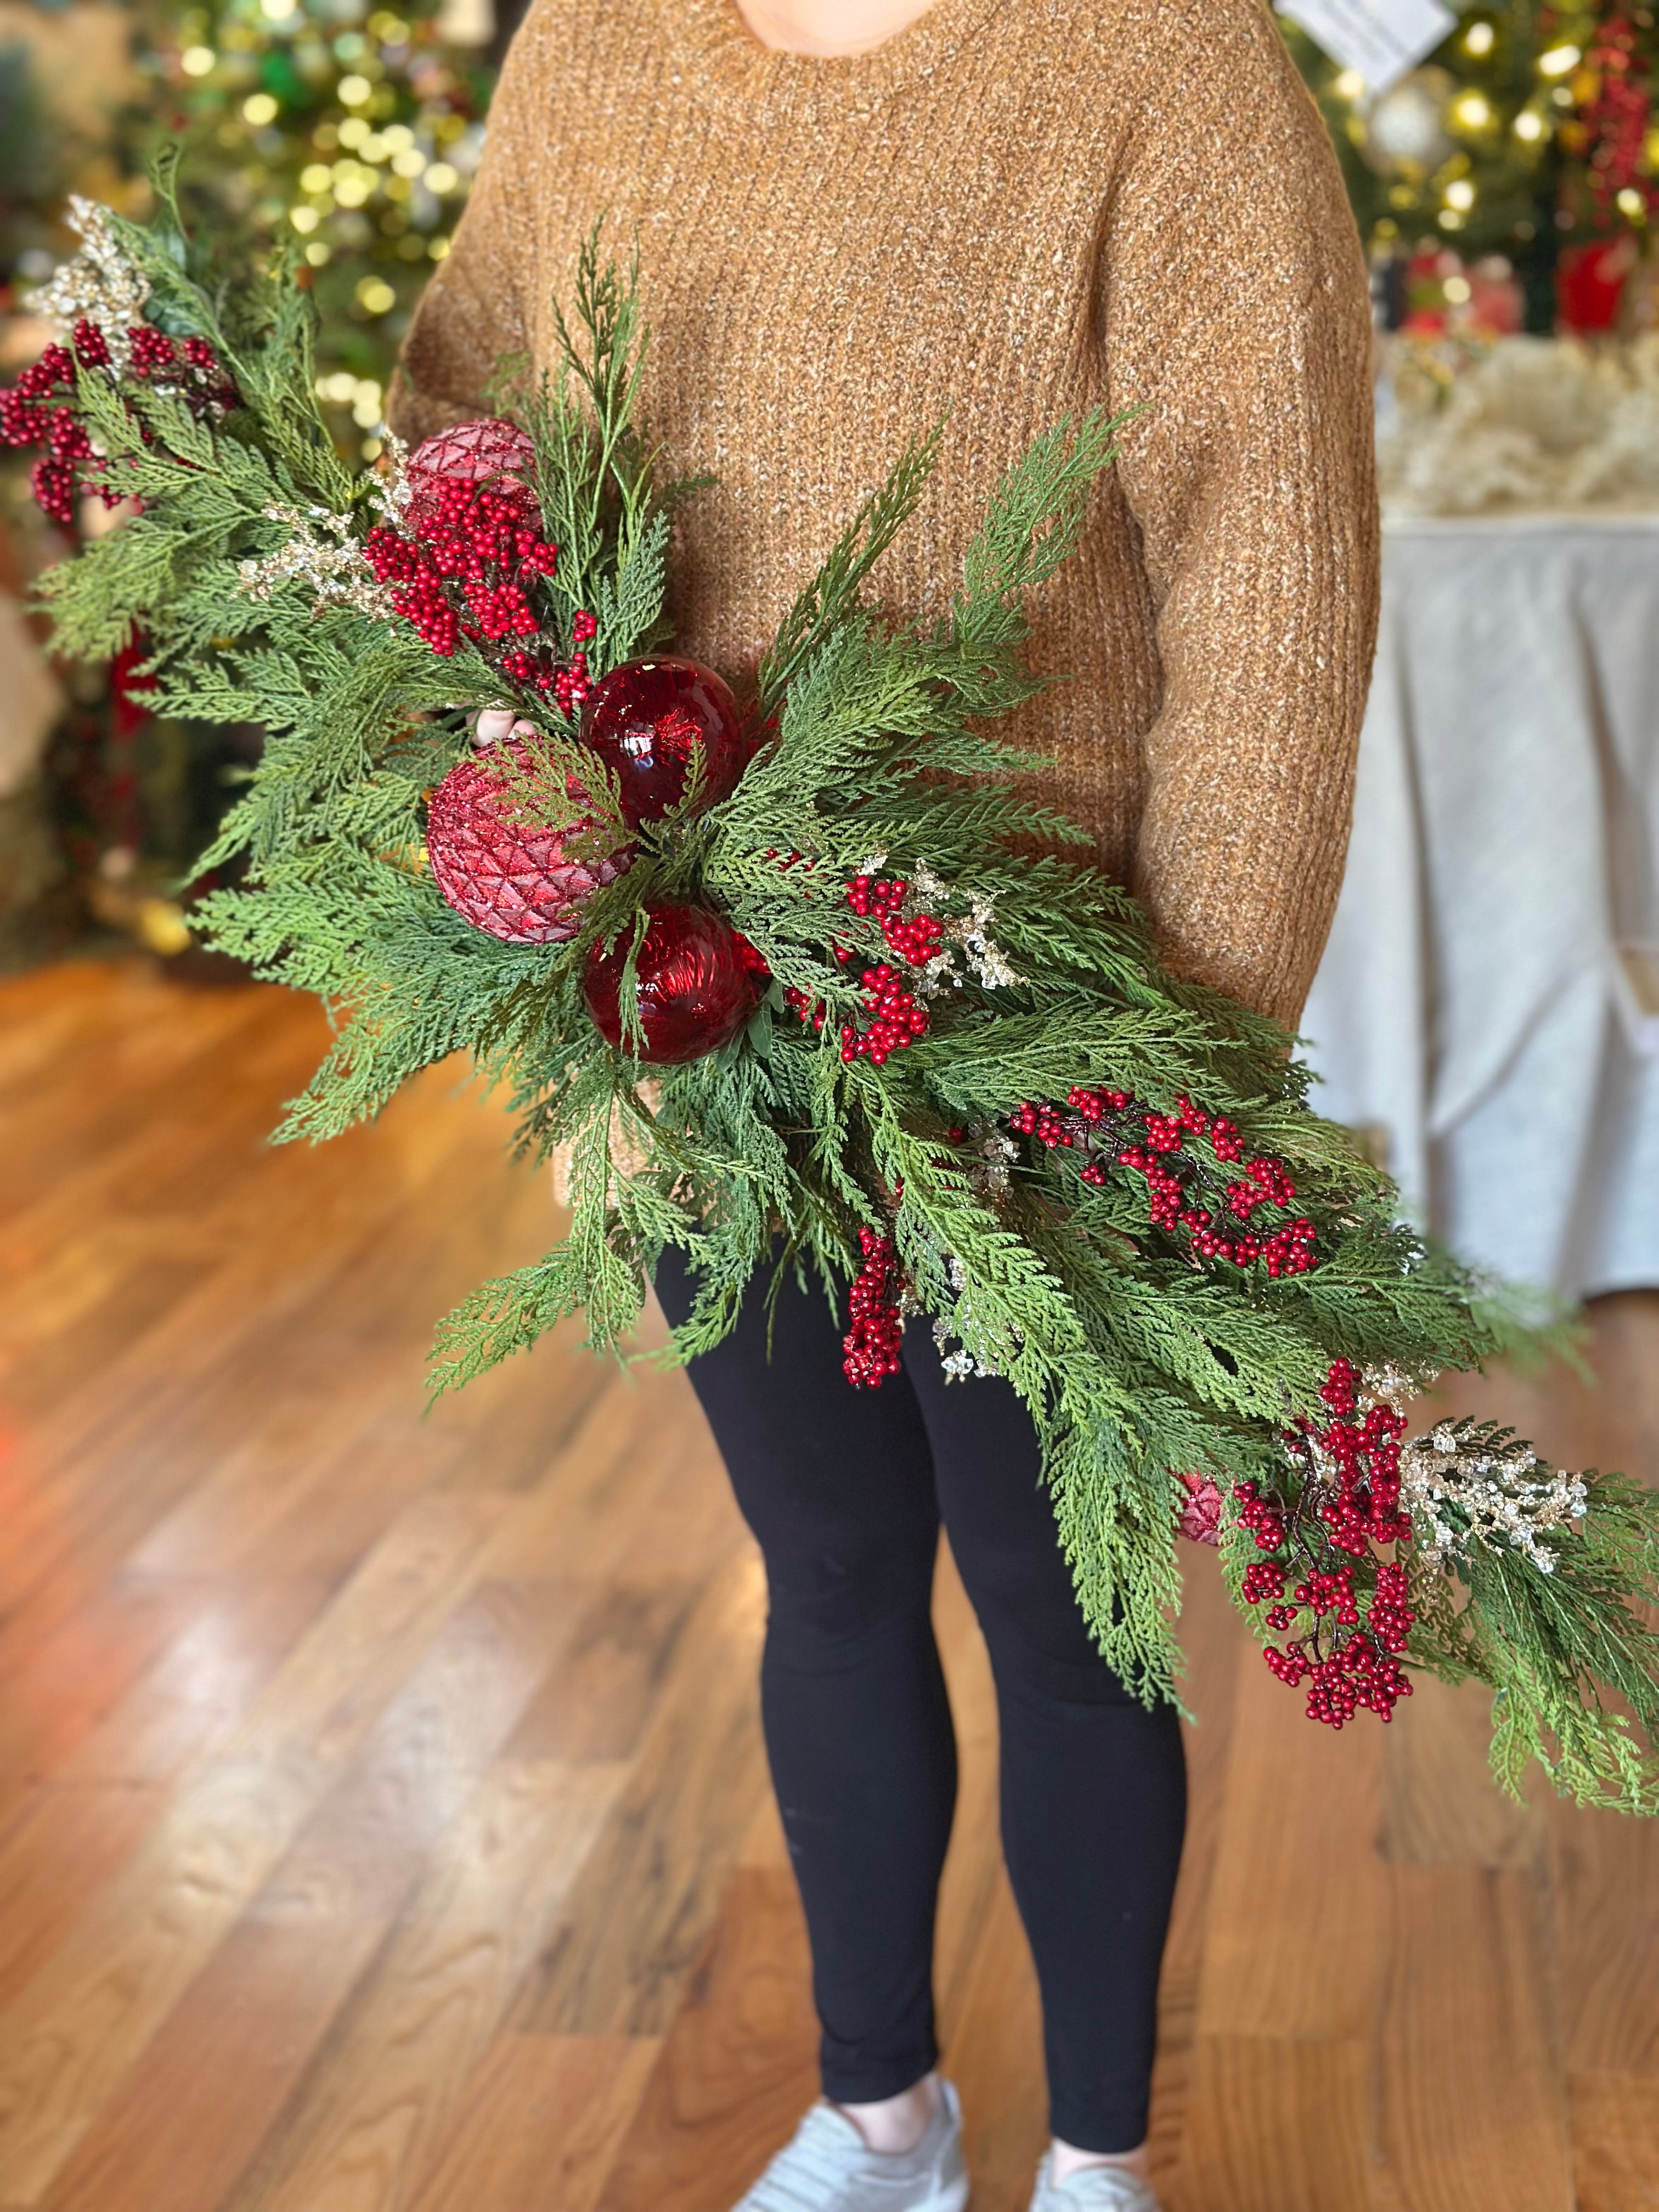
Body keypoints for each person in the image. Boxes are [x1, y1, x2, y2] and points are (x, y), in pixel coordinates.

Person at [393, 0, 1378, 2203]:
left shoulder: (1168, 64)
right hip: (687, 994)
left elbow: (1275, 573)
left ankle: (1103, 2167)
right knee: (826, 1563)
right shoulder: (602, 39)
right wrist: (498, 777)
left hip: (1036, 1014)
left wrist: (1174, 1065)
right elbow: (463, 409)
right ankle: (884, 2124)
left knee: (1062, 1603)